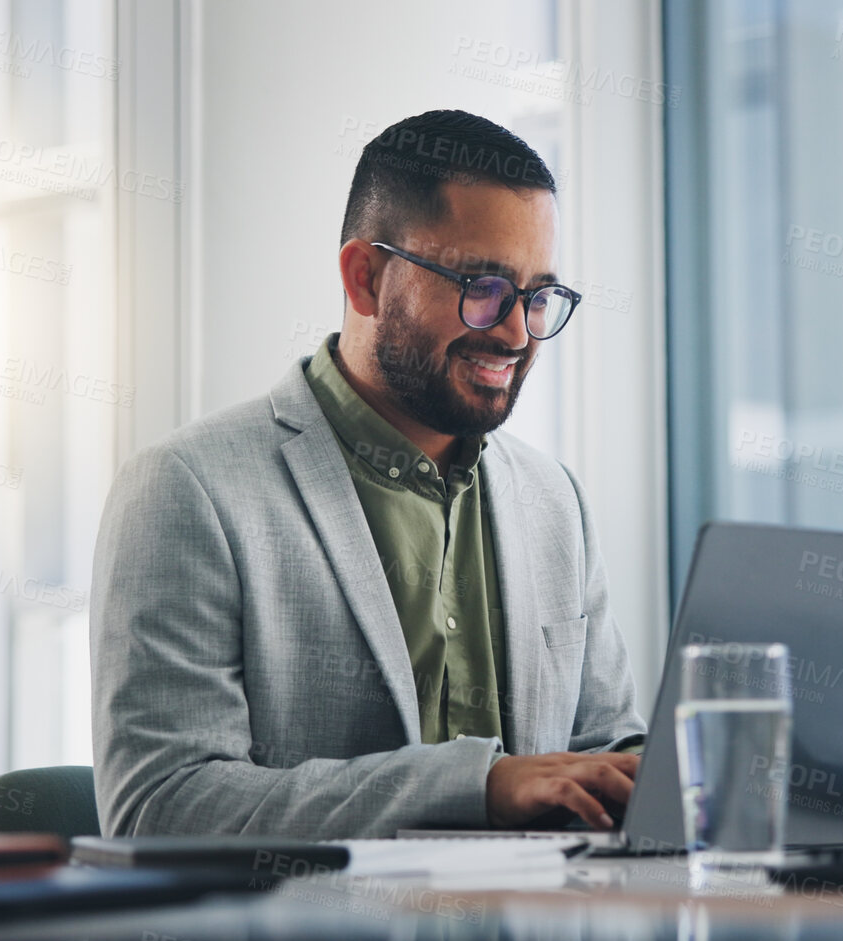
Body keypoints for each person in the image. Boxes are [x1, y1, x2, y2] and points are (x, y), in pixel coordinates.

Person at [91, 109, 644, 839]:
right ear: (366, 277)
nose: (515, 332)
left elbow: (602, 753)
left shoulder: (555, 503)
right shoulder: (186, 489)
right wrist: (472, 786)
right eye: (481, 287)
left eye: (537, 296)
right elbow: (161, 806)